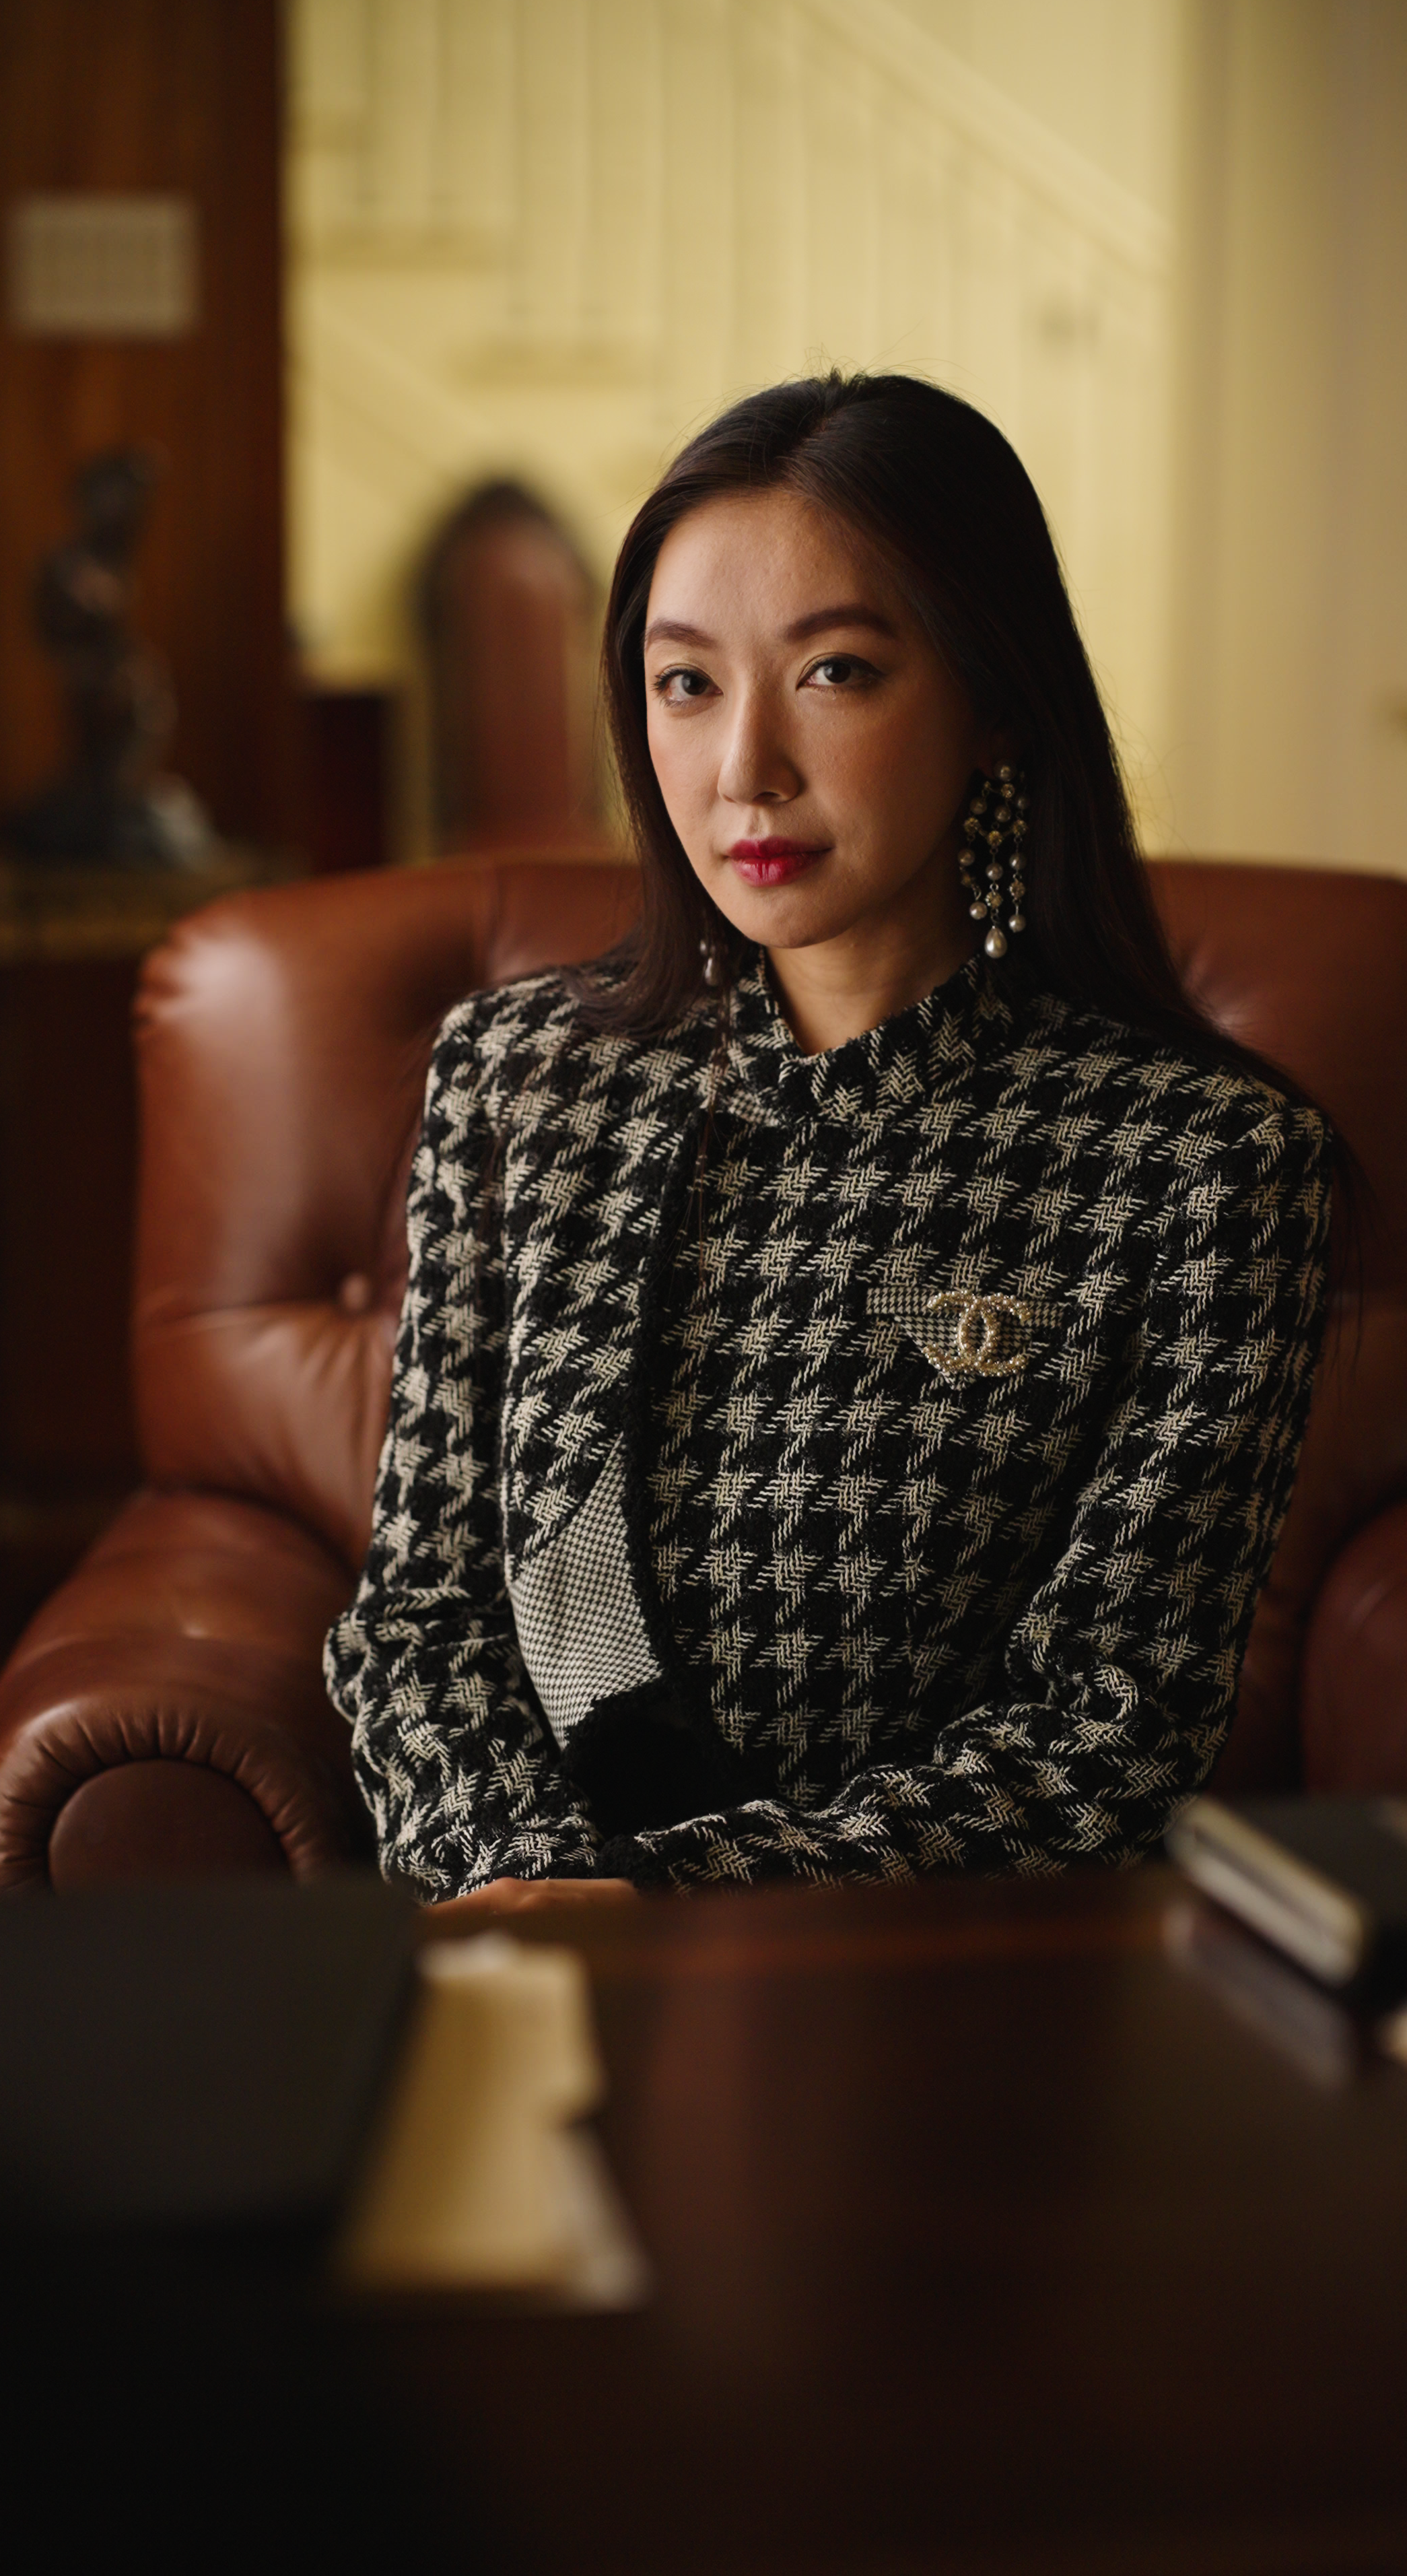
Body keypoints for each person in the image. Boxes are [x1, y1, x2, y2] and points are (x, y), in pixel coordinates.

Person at [324, 372, 1331, 1913]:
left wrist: (657, 1904)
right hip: (517, 1948)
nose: (746, 768)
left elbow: (1103, 1745)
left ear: (995, 703)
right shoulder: (524, 1081)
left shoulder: (1205, 1168)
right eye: (686, 683)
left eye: (837, 673)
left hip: (927, 1984)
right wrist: (533, 1897)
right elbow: (423, 1618)